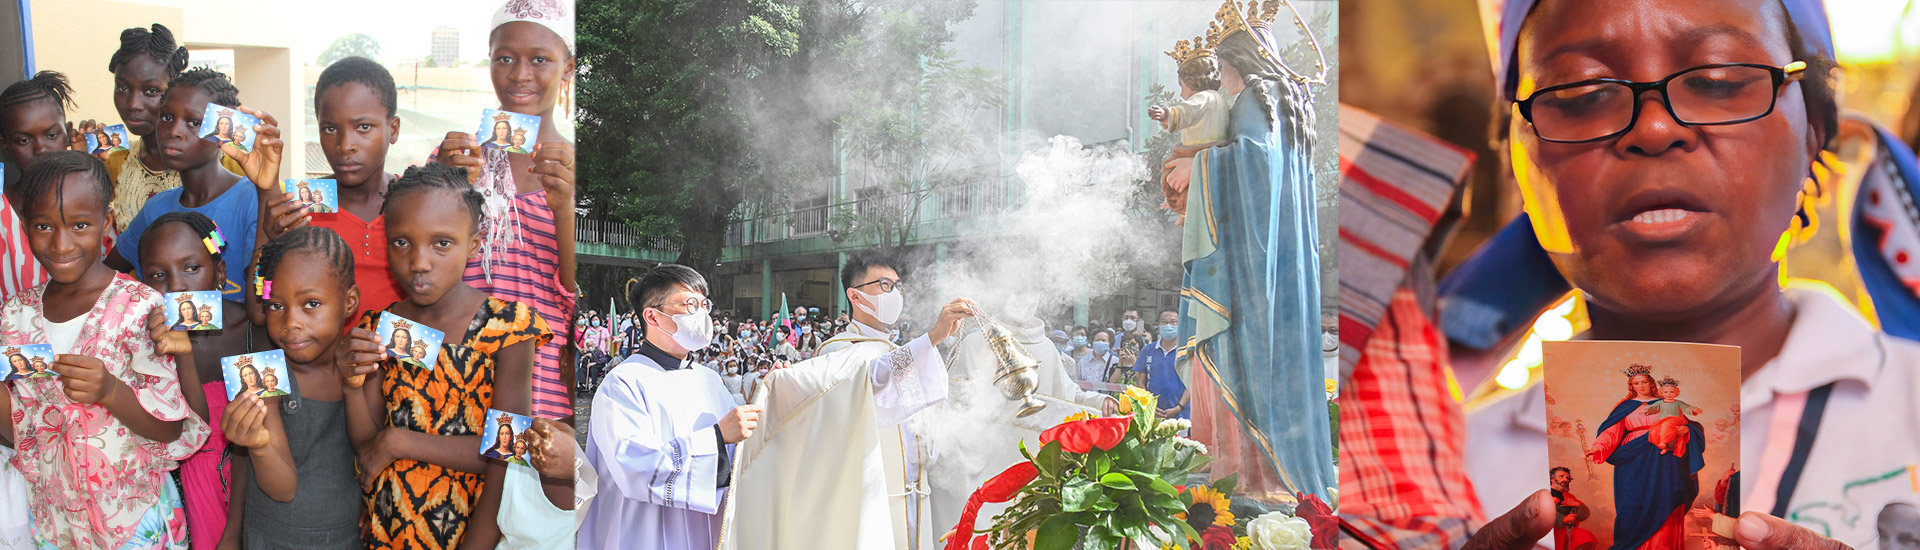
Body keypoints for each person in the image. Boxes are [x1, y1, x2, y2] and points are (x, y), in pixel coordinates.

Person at [1357, 1, 1918, 549]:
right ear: (1517, 166)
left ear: (1812, 136)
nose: (1654, 128)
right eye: (1581, 92)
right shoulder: (1437, 480)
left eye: (1719, 78)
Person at [1163, 0, 1333, 509]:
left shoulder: (1262, 96)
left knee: (1241, 352)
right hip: (1261, 254)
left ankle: (1251, 476)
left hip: (1252, 266)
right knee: (1231, 353)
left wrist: (1201, 169)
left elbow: (1257, 162)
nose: (1219, 69)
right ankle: (1235, 470)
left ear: (1238, 57)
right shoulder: (1280, 100)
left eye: (1223, 59)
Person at [0, 151, 209, 548]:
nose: (61, 244)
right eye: (43, 226)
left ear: (107, 222)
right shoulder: (15, 316)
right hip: (56, 525)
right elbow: (19, 435)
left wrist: (112, 392)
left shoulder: (140, 308)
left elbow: (172, 429)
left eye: (80, 225)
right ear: (25, 227)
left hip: (134, 524)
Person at [335, 163, 551, 548]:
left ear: (474, 243)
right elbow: (366, 443)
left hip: (468, 532)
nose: (419, 261)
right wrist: (351, 385)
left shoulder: (508, 328)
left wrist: (399, 441)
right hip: (387, 531)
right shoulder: (381, 325)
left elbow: (506, 451)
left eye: (442, 243)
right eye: (402, 242)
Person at [720, 252, 979, 550]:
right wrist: (932, 338)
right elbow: (871, 379)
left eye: (898, 286)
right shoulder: (837, 353)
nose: (894, 293)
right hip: (869, 498)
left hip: (914, 492)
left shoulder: (897, 352)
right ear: (855, 296)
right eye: (884, 284)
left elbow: (921, 419)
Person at [434, 0, 578, 423]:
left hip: (542, 384)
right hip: (457, 378)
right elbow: (423, 266)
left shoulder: (576, 169)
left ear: (567, 68)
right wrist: (444, 186)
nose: (520, 75)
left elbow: (571, 294)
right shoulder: (456, 160)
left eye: (539, 59)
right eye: (505, 58)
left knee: (531, 485)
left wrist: (565, 208)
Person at [578, 264, 759, 550]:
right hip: (643, 534)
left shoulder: (709, 379)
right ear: (652, 315)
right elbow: (634, 468)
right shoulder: (623, 383)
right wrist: (716, 437)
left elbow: (740, 451)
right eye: (690, 304)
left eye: (704, 304)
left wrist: (773, 395)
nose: (701, 314)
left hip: (707, 530)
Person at [215, 226, 366, 548]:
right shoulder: (261, 372)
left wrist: (353, 389)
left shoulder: (364, 368)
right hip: (271, 538)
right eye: (276, 306)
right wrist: (259, 445)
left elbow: (370, 454)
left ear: (350, 301)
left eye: (311, 304)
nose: (290, 323)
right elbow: (283, 488)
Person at [137, 211, 265, 550]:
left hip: (254, 488)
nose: (177, 286)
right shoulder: (144, 349)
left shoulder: (252, 334)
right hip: (187, 496)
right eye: (158, 275)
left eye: (191, 268)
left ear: (219, 272)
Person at [108, 67, 280, 304]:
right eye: (167, 117)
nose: (174, 131)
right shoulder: (156, 209)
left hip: (241, 341)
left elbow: (263, 305)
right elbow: (107, 275)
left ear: (225, 133)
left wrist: (267, 190)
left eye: (193, 122)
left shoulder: (252, 199)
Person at [260, 56, 409, 324]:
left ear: (393, 129)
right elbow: (262, 310)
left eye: (363, 127)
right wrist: (269, 245)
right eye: (329, 129)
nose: (345, 144)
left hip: (403, 364)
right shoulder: (300, 203)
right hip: (322, 364)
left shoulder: (414, 202)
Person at [102, 24, 245, 235]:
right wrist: (87, 166)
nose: (133, 104)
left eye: (151, 91)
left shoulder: (230, 160)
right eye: (122, 88)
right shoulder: (115, 160)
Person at [0, 72, 71, 299]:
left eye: (51, 135)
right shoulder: (3, 217)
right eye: (24, 140)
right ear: (5, 147)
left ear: (68, 134)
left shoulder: (92, 204)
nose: (41, 149)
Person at [1132, 310, 1187, 419]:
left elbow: (1192, 384)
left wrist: (1179, 407)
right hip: (1151, 414)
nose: (1168, 325)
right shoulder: (1147, 350)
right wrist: (1149, 405)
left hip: (1181, 414)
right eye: (1164, 322)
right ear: (1158, 325)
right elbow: (1141, 382)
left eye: (1173, 322)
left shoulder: (1186, 351)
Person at [1639, 376, 1703, 455]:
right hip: (1662, 421)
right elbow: (1653, 408)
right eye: (1666, 392)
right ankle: (1666, 447)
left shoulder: (1678, 403)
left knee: (1667, 425)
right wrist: (1647, 410)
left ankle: (1663, 442)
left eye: (1671, 392)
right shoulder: (1660, 403)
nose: (1669, 394)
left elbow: (1686, 408)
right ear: (1662, 393)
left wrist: (1693, 410)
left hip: (1676, 420)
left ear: (1676, 393)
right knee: (1654, 431)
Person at [1549, 467, 1597, 550]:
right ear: (1552, 479)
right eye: (1561, 476)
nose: (1565, 480)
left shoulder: (1568, 496)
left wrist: (1576, 504)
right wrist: (1562, 519)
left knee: (1584, 537)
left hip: (1568, 532)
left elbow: (1584, 514)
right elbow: (1545, 512)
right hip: (1552, 533)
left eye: (1567, 478)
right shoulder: (1546, 493)